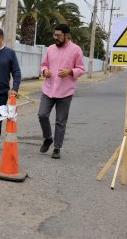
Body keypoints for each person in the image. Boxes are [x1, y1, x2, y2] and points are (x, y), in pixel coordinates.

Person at [38, 24, 85, 159]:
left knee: (60, 121)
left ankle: (57, 148)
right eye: (55, 35)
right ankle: (48, 138)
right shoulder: (51, 49)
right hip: (48, 89)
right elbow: (44, 65)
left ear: (67, 35)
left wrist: (70, 71)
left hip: (65, 91)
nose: (56, 38)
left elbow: (81, 69)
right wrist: (44, 71)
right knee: (42, 115)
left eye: (59, 35)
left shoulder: (76, 50)